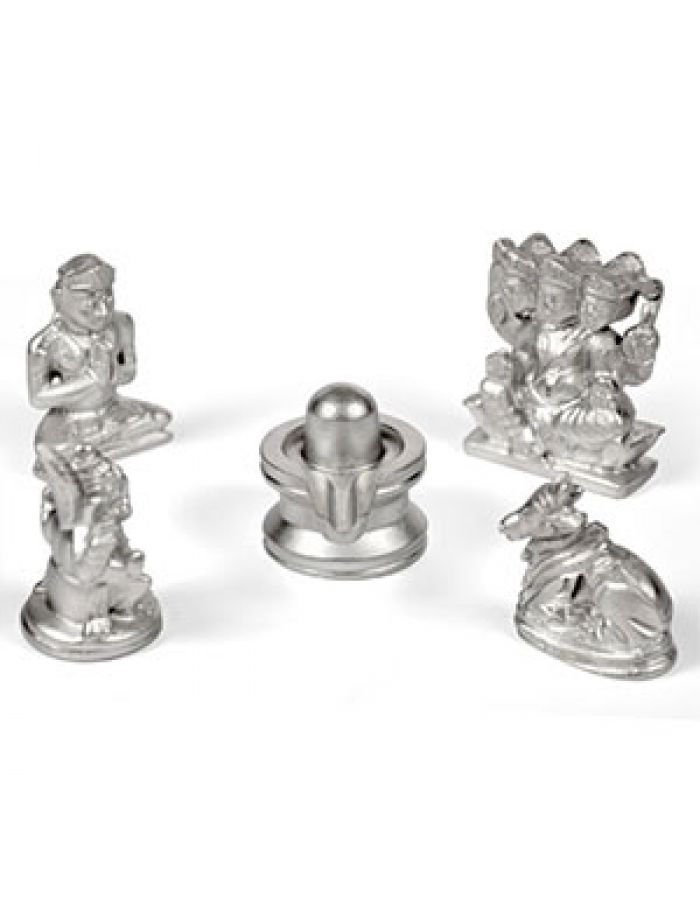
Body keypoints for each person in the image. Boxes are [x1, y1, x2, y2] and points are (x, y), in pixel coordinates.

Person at [28, 253, 172, 458]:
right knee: (49, 447)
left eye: (107, 295)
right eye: (90, 299)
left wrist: (113, 371)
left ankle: (87, 453)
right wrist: (92, 379)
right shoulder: (46, 344)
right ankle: (82, 453)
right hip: (71, 416)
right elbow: (38, 398)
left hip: (112, 408)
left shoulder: (122, 323)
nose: (103, 310)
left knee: (160, 418)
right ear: (59, 299)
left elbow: (128, 373)